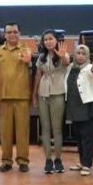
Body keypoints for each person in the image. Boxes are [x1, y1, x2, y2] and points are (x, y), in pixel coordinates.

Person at [0, 23, 33, 172]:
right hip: (4, 96)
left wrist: (29, 61)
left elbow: (31, 65)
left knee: (22, 132)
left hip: (22, 96)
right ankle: (6, 161)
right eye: (9, 32)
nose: (12, 35)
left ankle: (23, 161)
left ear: (19, 33)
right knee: (5, 132)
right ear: (4, 35)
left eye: (15, 32)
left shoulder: (26, 49)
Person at [32, 30, 70, 174]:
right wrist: (34, 95)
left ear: (56, 40)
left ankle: (58, 159)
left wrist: (62, 56)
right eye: (46, 39)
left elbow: (66, 62)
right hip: (43, 94)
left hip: (57, 93)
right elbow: (37, 75)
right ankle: (48, 159)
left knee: (57, 128)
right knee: (45, 128)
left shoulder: (63, 54)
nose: (48, 41)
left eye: (51, 39)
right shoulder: (41, 57)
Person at [65, 44, 93, 174]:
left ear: (87, 56)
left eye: (83, 54)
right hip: (73, 106)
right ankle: (81, 161)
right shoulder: (70, 67)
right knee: (78, 137)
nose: (80, 56)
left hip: (86, 106)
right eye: (78, 53)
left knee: (87, 137)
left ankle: (87, 165)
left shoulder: (89, 67)